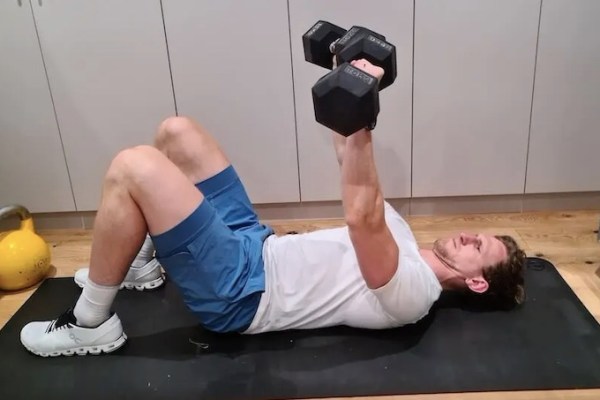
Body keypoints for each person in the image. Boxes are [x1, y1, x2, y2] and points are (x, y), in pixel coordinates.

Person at [20, 60, 526, 357]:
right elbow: (346, 154)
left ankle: (91, 323)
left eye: (481, 247)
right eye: (478, 232)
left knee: (135, 167)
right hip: (257, 244)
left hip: (242, 292)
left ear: (477, 281)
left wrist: (362, 108)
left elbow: (361, 215)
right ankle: (140, 266)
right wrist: (343, 75)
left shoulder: (414, 294)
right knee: (178, 133)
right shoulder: (405, 237)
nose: (470, 235)